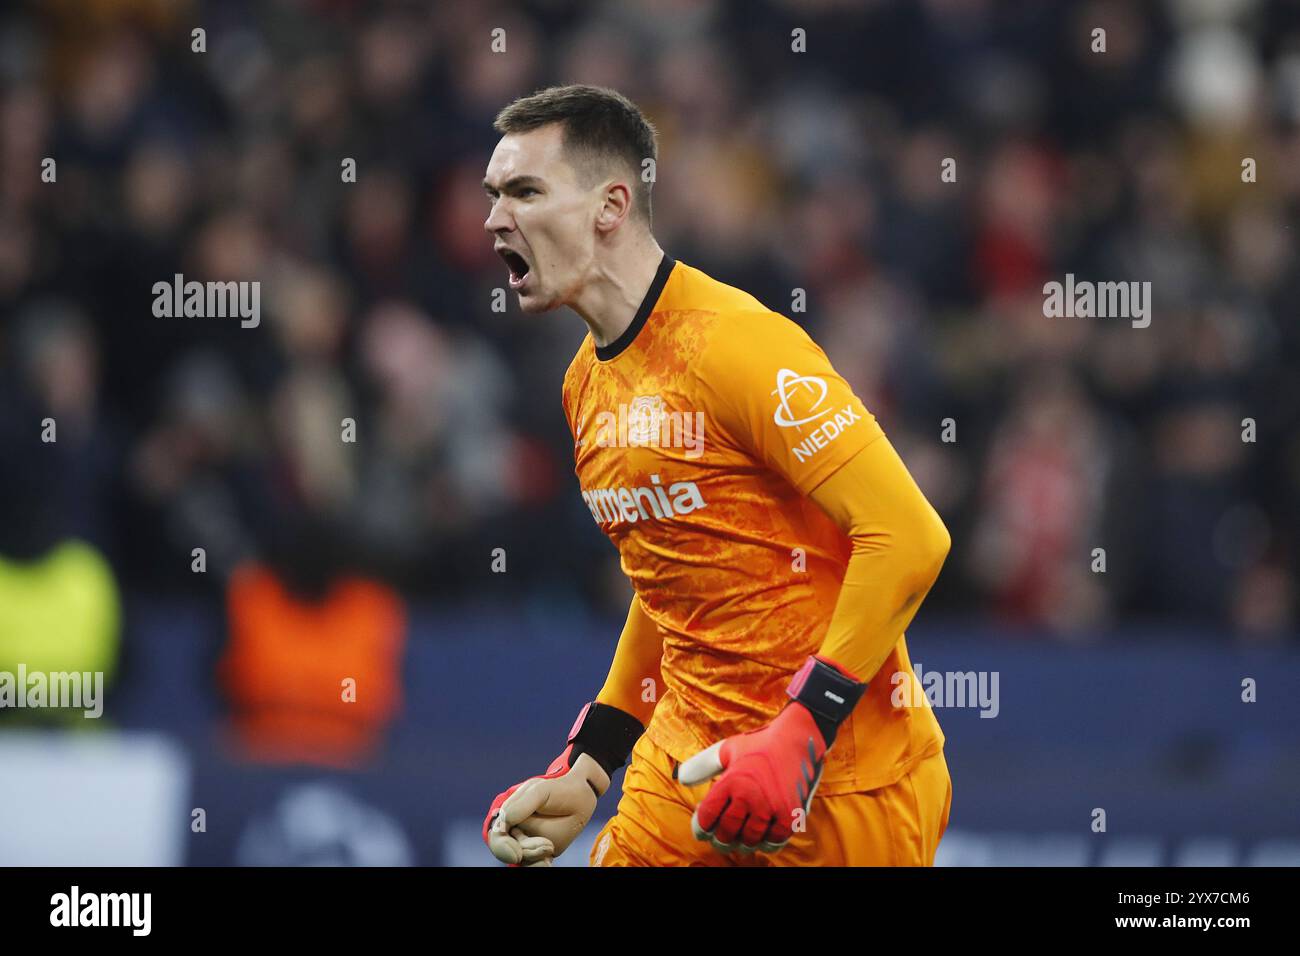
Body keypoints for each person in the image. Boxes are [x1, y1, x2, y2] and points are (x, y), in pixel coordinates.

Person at [480, 85, 951, 866]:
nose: (497, 217)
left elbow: (909, 536)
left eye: (525, 191)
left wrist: (803, 730)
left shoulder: (738, 346)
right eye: (494, 195)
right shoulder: (583, 386)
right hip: (683, 767)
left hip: (840, 788)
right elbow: (671, 580)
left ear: (610, 206)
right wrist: (593, 759)